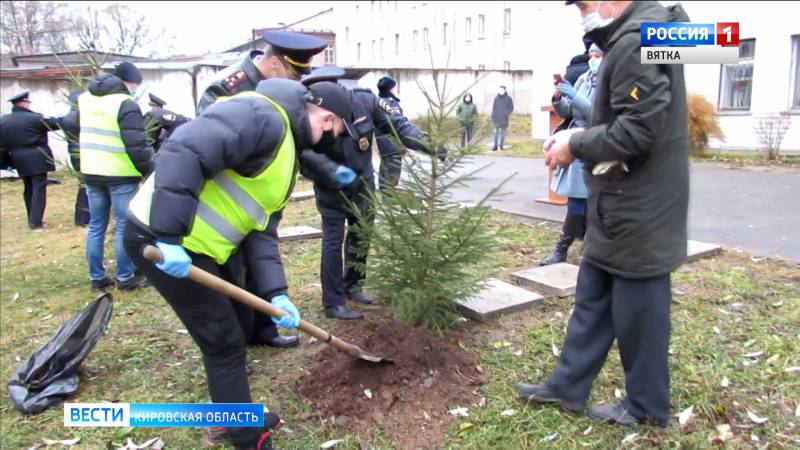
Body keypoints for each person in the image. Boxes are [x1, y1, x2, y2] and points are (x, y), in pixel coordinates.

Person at [124, 78, 356, 450]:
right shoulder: (262, 116)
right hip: (164, 243)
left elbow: (261, 232)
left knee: (239, 324)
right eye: (333, 127)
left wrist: (276, 294)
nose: (329, 135)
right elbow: (184, 148)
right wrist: (167, 236)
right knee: (224, 344)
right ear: (328, 118)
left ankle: (233, 414)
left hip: (208, 249)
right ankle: (246, 437)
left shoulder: (286, 155)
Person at [516, 0, 690, 428]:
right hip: (621, 201)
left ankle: (646, 407)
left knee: (640, 311)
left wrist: (573, 145)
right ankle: (568, 384)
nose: (583, 16)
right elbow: (714, 43)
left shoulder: (636, 41)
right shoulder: (656, 29)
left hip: (639, 204)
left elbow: (639, 129)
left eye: (586, 6)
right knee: (592, 293)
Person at [196, 29, 342, 350]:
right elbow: (210, 144)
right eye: (294, 72)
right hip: (228, 201)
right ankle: (233, 345)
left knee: (262, 259)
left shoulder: (284, 93)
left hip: (261, 196)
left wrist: (326, 169)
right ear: (274, 63)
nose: (298, 83)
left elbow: (295, 141)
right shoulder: (227, 88)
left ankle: (263, 329)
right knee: (233, 269)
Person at [302, 72, 445, 321]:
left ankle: (353, 285)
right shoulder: (308, 113)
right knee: (333, 241)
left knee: (362, 233)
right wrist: (330, 173)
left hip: (363, 184)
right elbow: (303, 155)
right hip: (330, 187)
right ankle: (333, 302)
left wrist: (429, 144)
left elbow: (398, 125)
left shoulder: (366, 102)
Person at [78, 61, 153, 291]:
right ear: (126, 82)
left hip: (91, 171)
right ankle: (125, 277)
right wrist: (149, 171)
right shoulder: (125, 103)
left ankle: (97, 277)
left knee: (96, 224)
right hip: (120, 174)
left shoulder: (84, 99)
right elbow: (136, 144)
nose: (134, 89)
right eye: (134, 84)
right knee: (123, 225)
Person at [540, 44, 604, 266]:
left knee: (591, 199)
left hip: (596, 138)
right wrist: (559, 97)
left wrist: (574, 95)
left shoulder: (610, 80)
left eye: (597, 55)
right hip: (574, 139)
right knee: (576, 198)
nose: (593, 59)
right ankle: (563, 249)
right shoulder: (584, 78)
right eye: (591, 55)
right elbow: (568, 111)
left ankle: (582, 247)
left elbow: (598, 113)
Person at [0, 91, 60, 230]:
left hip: (18, 158)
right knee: (39, 188)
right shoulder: (34, 118)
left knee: (28, 188)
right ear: (24, 102)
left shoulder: (4, 120)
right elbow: (55, 124)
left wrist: (5, 163)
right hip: (37, 156)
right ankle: (36, 222)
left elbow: (2, 145)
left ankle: (31, 217)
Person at [57, 89, 90, 227]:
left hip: (74, 152)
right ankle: (83, 218)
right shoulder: (80, 116)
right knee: (85, 186)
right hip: (83, 152)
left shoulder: (67, 117)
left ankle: (82, 217)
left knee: (83, 184)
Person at [374, 76, 404, 193]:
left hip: (385, 143)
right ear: (389, 89)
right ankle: (388, 199)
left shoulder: (378, 101)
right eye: (393, 88)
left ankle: (385, 196)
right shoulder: (388, 104)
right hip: (391, 142)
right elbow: (398, 121)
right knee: (392, 173)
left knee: (385, 169)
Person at [490, 85, 514, 151]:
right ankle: (495, 146)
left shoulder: (508, 98)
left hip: (504, 118)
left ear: (505, 90)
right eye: (499, 89)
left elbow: (511, 108)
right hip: (496, 118)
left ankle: (501, 145)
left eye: (502, 89)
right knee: (495, 132)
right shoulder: (496, 98)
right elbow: (494, 108)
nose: (500, 91)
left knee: (503, 133)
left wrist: (506, 113)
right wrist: (492, 116)